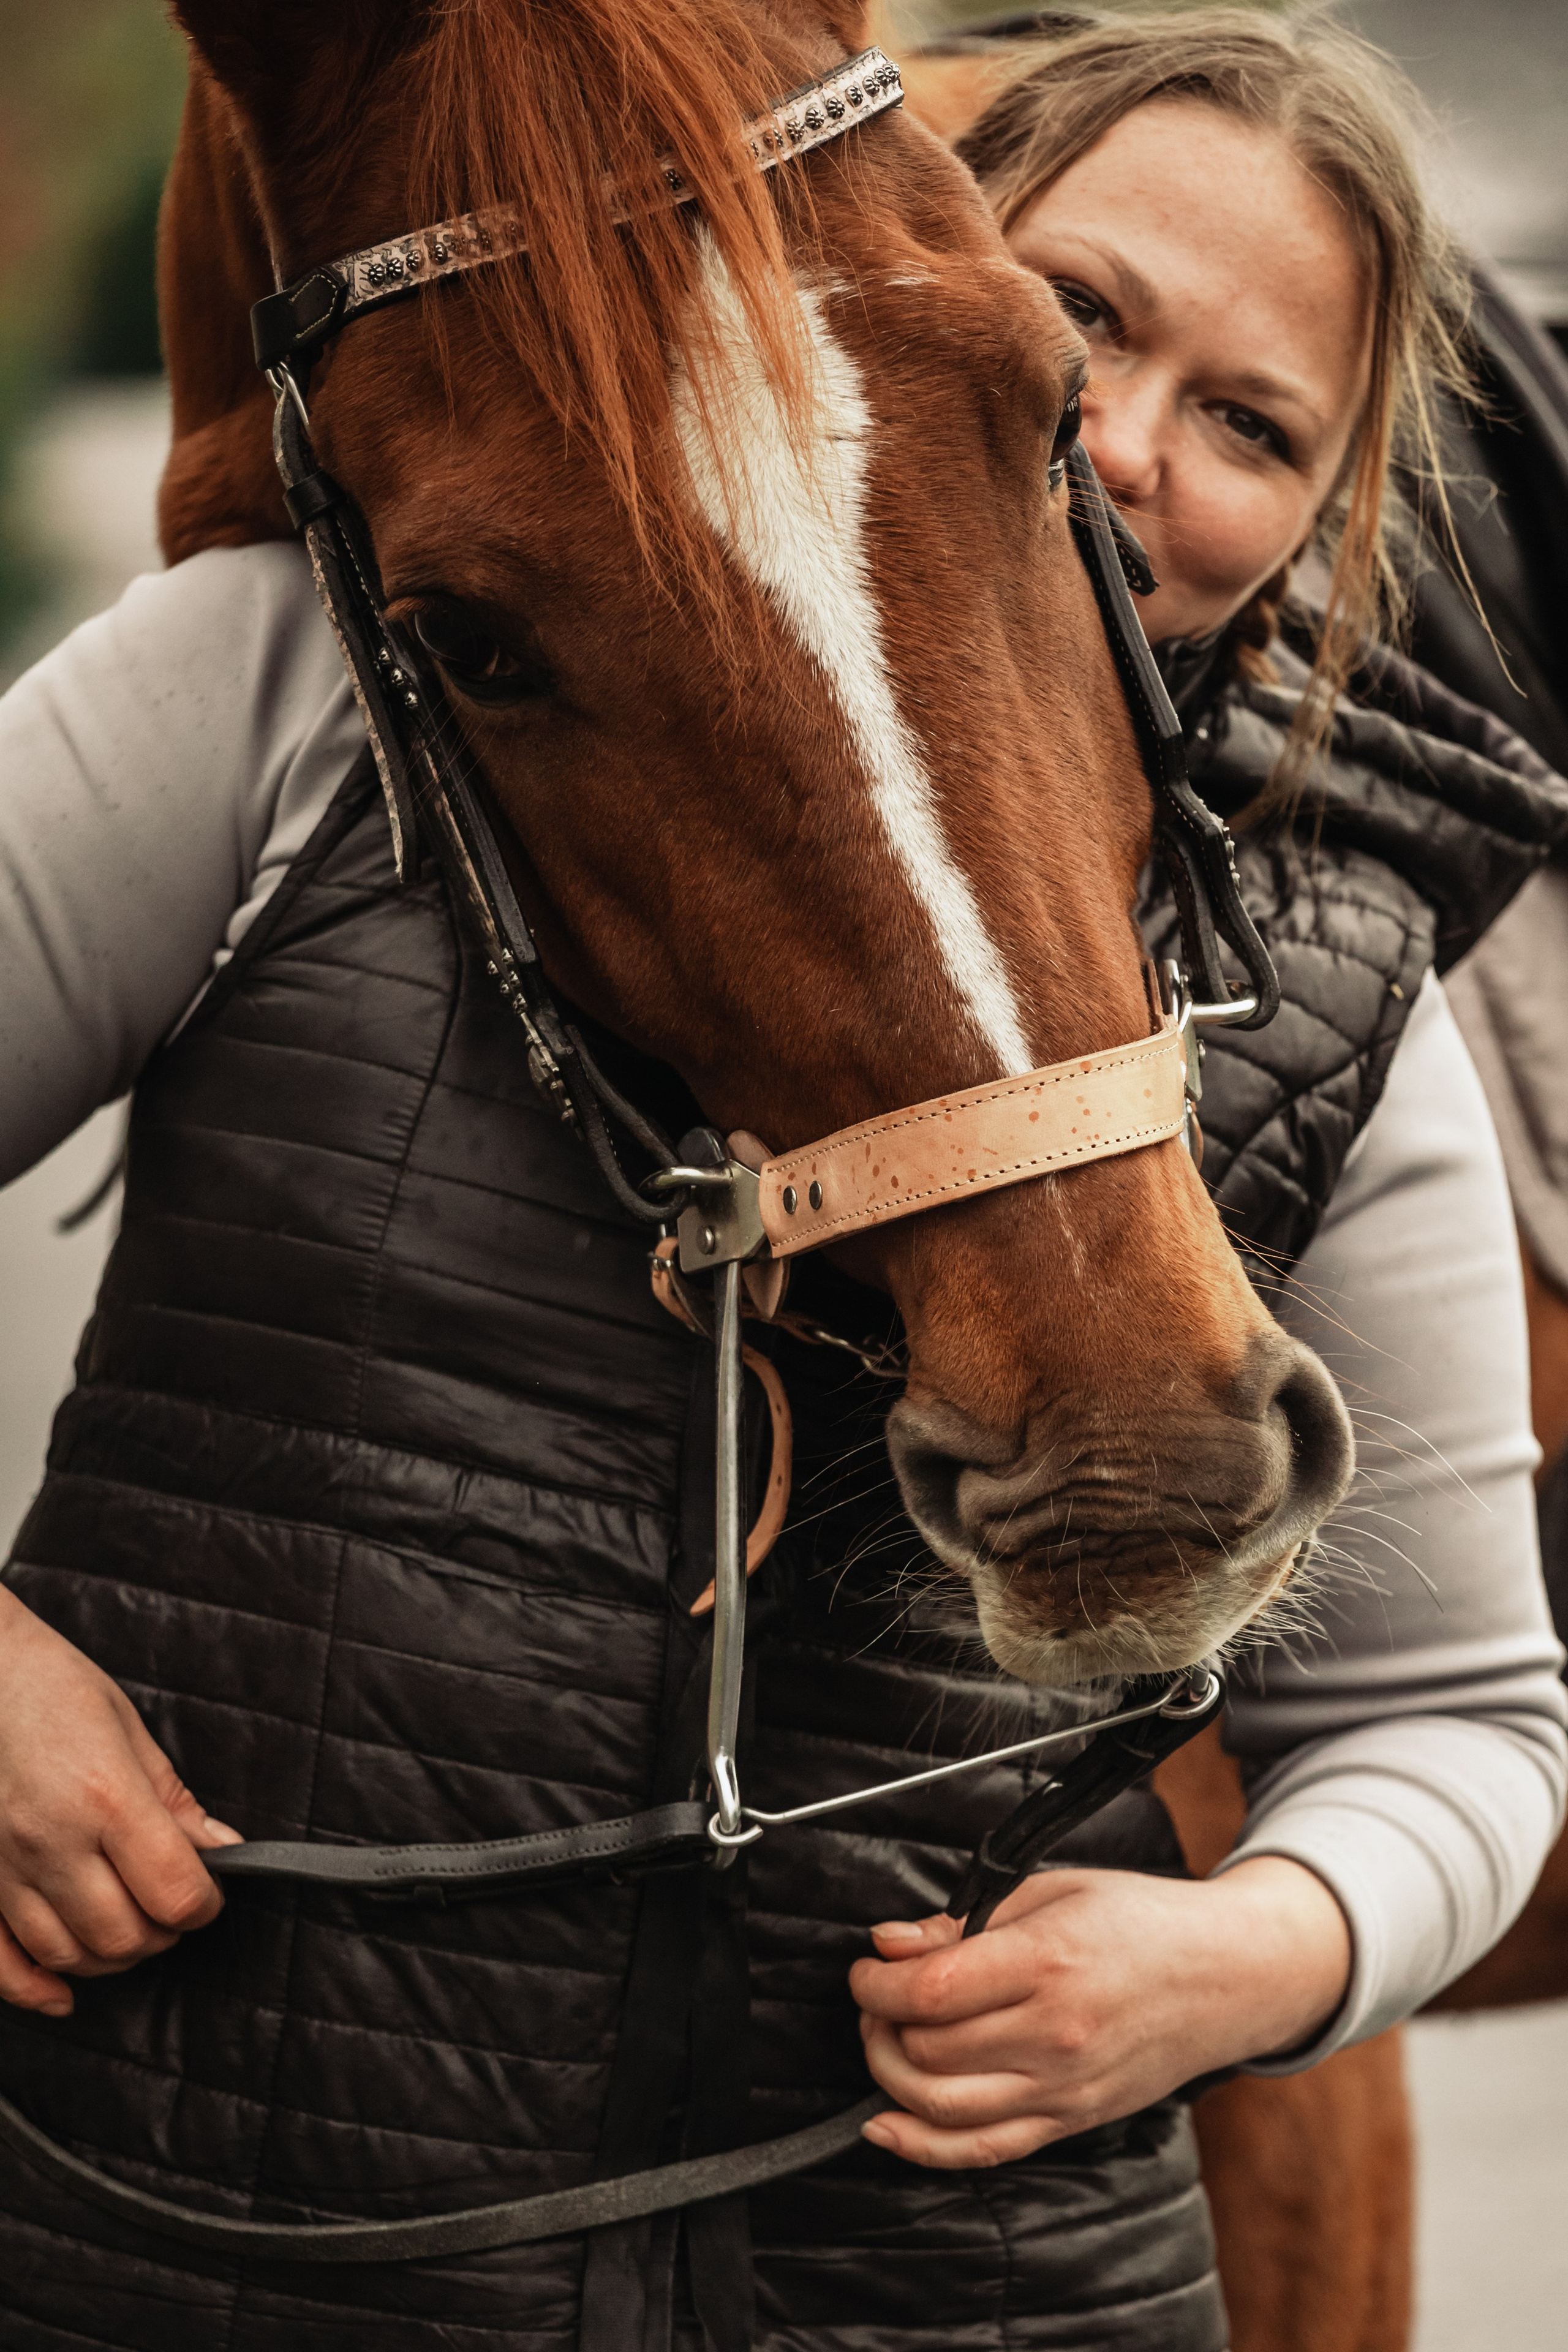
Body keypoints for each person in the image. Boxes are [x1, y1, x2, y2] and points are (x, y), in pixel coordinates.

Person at [0, 10, 1564, 2351]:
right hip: (227, 2255)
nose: (1136, 451)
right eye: (1087, 333)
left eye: (1256, 427)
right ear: (884, 276)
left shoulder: (1348, 981)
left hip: (956, 2286)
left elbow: (1461, 1726)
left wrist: (1242, 1958)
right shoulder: (293, 704)